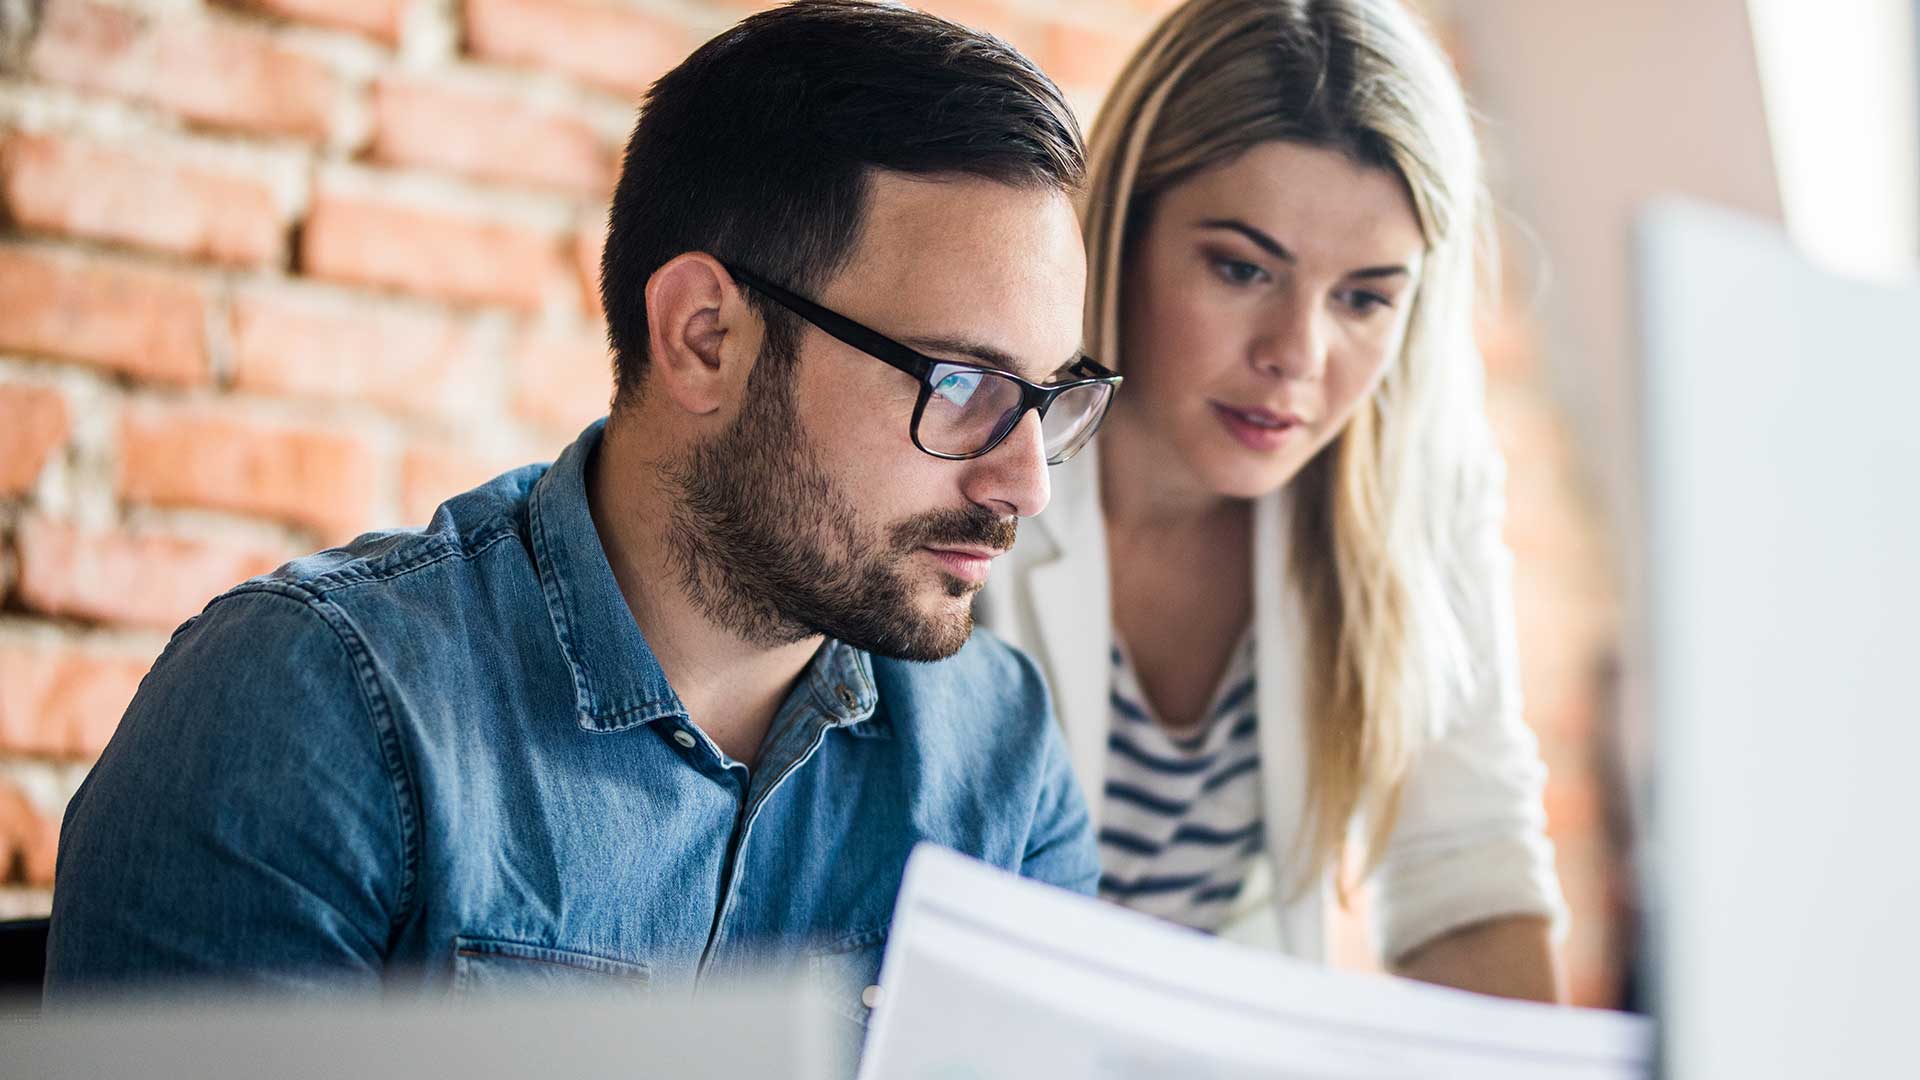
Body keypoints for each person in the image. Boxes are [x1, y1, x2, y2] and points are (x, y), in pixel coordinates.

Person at [47, 0, 1119, 1026]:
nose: (1027, 484)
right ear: (705, 337)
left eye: (1047, 398)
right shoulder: (313, 712)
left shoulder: (998, 755)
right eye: (958, 384)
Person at [977, 0, 1567, 1002]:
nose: (1296, 355)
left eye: (1365, 298)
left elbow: (1468, 874)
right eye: (1242, 268)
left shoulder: (1419, 489)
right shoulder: (979, 449)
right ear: (1124, 230)